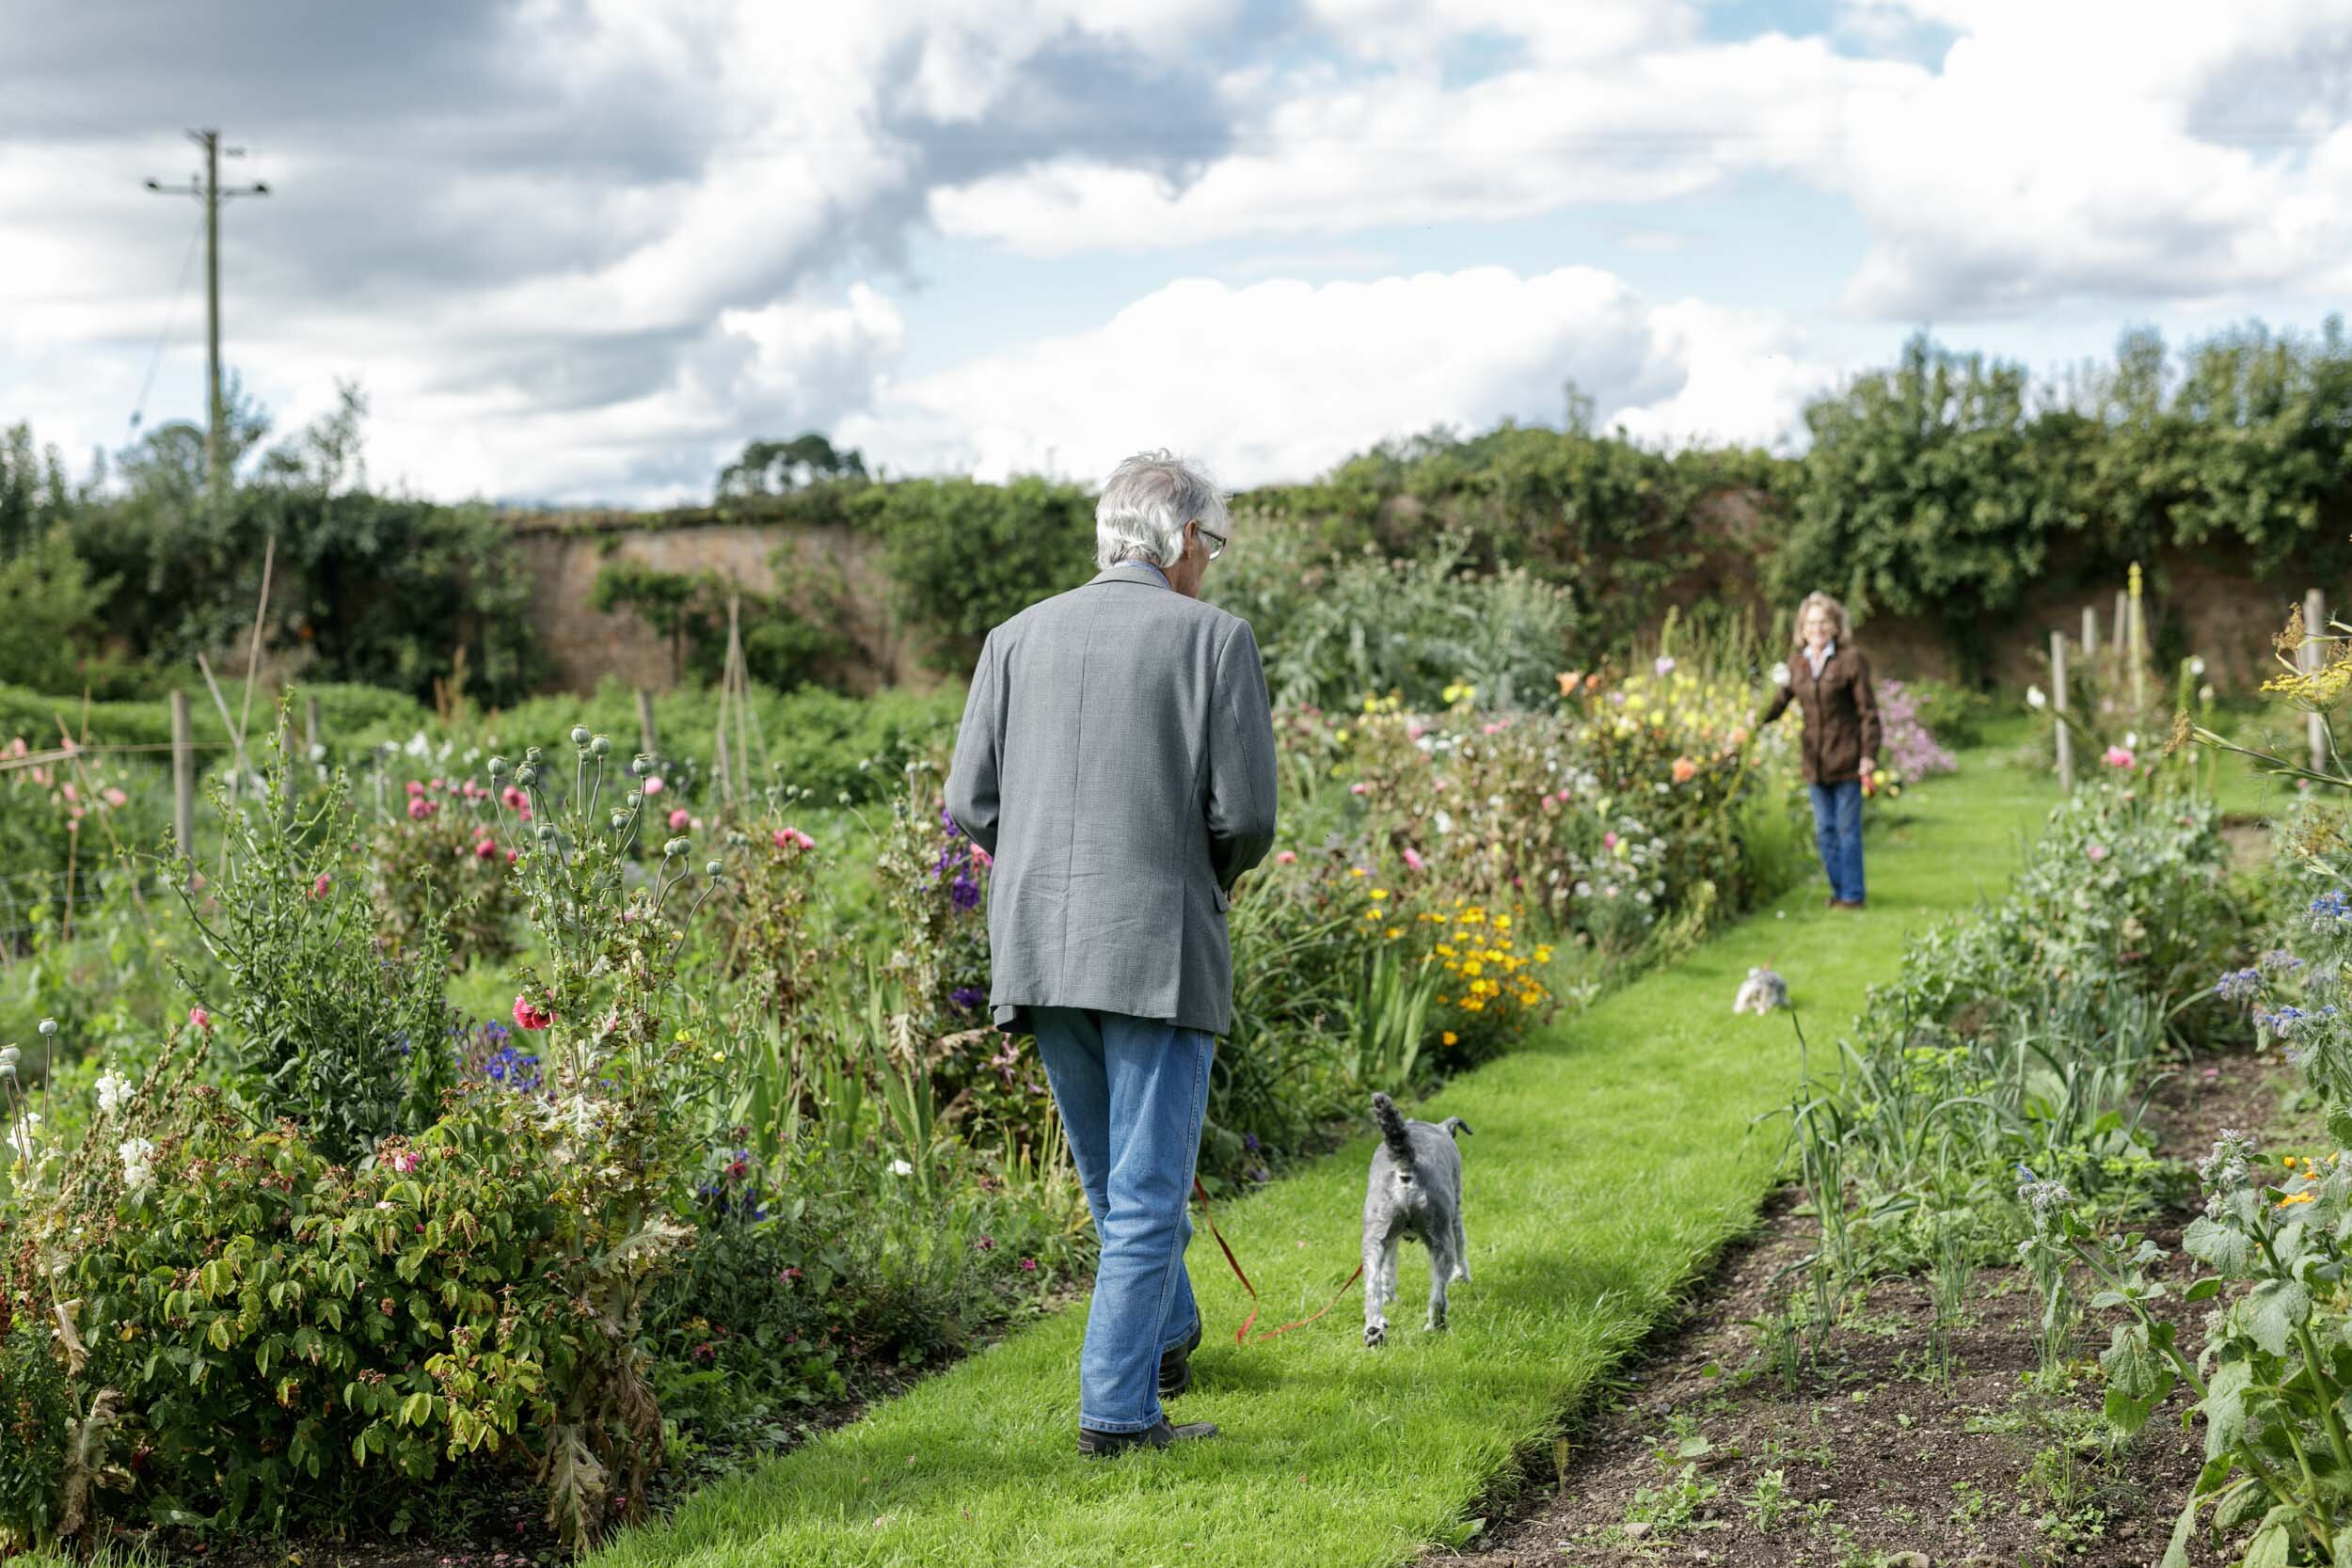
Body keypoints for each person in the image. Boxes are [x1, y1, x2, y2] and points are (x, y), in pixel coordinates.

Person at [945, 449, 1279, 1457]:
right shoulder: (1212, 639)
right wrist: (1203, 874)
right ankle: (1118, 1413)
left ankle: (1167, 1334)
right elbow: (1248, 813)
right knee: (1141, 1191)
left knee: (1112, 1181)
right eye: (1210, 544)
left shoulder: (1013, 637)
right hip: (1158, 944)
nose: (1209, 563)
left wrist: (1044, 866)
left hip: (1039, 945)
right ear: (1180, 539)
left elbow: (969, 800)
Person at [1757, 590, 1882, 911]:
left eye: (1824, 622)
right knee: (1825, 832)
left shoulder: (1850, 660)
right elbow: (1779, 703)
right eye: (1811, 622)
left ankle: (1852, 896)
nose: (1817, 628)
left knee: (1847, 831)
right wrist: (1754, 719)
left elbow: (1868, 712)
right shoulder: (1796, 664)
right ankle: (1839, 891)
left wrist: (1868, 756)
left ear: (1836, 626)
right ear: (1802, 627)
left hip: (1848, 758)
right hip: (1815, 762)